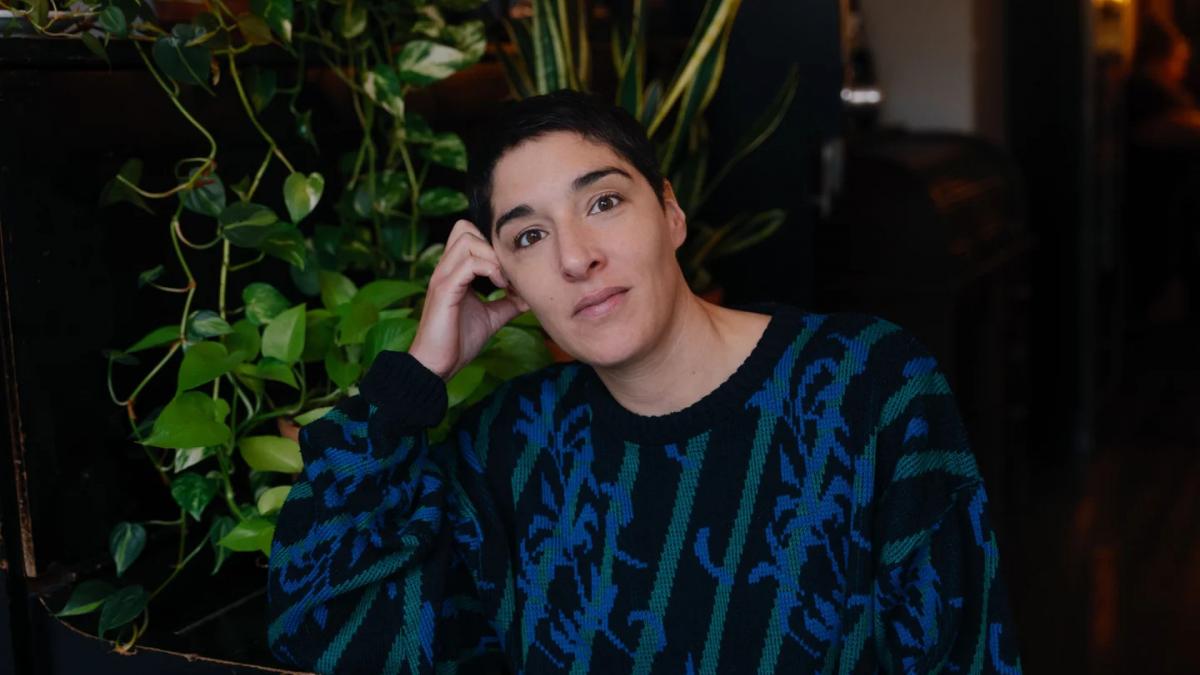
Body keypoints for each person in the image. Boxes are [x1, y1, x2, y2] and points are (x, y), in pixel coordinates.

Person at [266, 90, 1022, 673]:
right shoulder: (511, 445)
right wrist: (413, 380)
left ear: (670, 214)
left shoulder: (867, 383)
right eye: (530, 235)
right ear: (509, 282)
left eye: (603, 201)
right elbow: (321, 627)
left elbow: (963, 653)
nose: (576, 256)